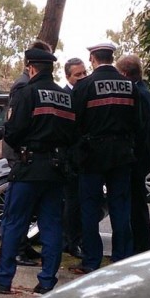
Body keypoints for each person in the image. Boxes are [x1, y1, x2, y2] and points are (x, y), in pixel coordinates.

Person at [0, 47, 75, 295]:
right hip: (56, 169)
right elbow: (73, 133)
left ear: (30, 67)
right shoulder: (65, 96)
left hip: (29, 167)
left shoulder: (27, 93)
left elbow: (12, 131)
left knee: (14, 222)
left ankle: (3, 278)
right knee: (51, 225)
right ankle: (47, 281)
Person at [69, 42, 140, 275]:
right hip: (121, 153)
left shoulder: (84, 86)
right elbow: (137, 122)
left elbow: (74, 123)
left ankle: (91, 259)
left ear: (92, 58)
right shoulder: (130, 86)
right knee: (121, 206)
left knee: (89, 207)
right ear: (112, 57)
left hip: (92, 155)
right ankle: (122, 256)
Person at [6, 39, 54, 267]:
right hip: (23, 156)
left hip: (32, 157)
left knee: (20, 214)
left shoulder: (32, 87)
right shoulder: (23, 87)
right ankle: (19, 250)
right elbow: (14, 126)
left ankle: (18, 253)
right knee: (21, 214)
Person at [116, 54, 150, 254]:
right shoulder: (146, 92)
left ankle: (139, 247)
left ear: (125, 73)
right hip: (145, 154)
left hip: (137, 155)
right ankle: (140, 245)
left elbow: (139, 126)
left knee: (135, 204)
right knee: (138, 203)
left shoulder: (137, 93)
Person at [61, 58, 87, 259]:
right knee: (70, 202)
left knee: (77, 202)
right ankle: (71, 241)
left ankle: (74, 239)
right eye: (78, 74)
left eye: (84, 73)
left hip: (83, 156)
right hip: (68, 157)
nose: (82, 77)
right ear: (68, 76)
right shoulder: (64, 96)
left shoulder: (86, 92)